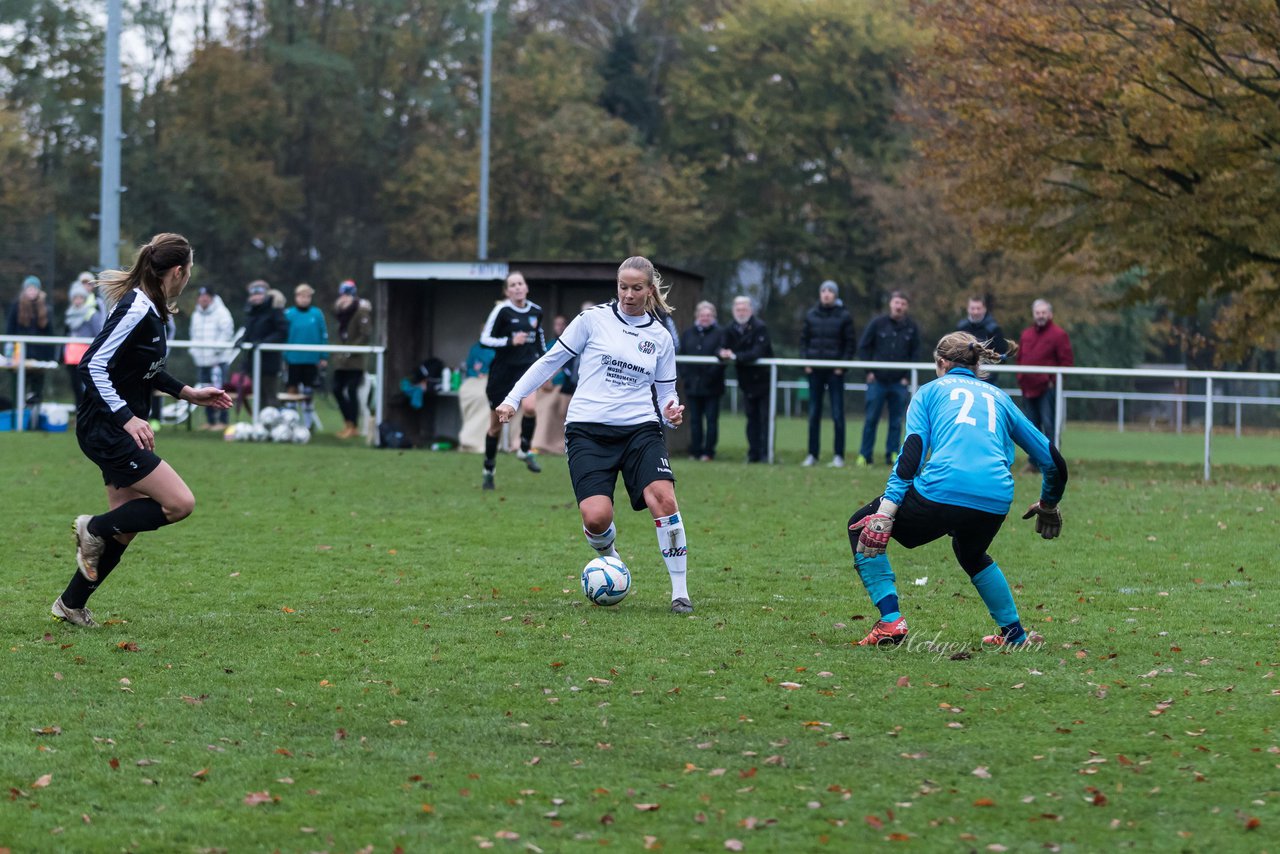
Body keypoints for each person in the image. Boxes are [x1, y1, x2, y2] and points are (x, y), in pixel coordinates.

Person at [495, 256, 693, 613]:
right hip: (588, 430)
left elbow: (666, 394)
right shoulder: (592, 320)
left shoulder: (660, 337)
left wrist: (672, 411)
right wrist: (512, 398)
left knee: (663, 497)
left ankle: (680, 592)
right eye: (622, 287)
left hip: (640, 430)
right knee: (596, 517)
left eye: (636, 288)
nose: (628, 294)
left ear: (649, 290)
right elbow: (549, 361)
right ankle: (612, 564)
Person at [54, 233, 232, 628]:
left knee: (126, 524)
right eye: (190, 271)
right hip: (107, 428)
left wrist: (187, 392)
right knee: (179, 503)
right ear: (178, 271)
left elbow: (144, 367)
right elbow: (91, 365)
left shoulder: (151, 307)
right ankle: (91, 527)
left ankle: (71, 604)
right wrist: (126, 417)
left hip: (116, 427)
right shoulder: (136, 307)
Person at [846, 332, 1067, 648]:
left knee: (861, 526)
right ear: (978, 363)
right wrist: (1048, 503)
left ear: (940, 362)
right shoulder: (1000, 397)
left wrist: (886, 510)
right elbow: (1054, 461)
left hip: (942, 490)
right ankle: (1015, 635)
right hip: (995, 498)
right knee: (971, 552)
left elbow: (912, 455)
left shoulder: (930, 392)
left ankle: (891, 622)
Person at [479, 271, 546, 489]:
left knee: (530, 407)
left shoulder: (536, 311)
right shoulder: (502, 311)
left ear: (526, 287)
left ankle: (524, 449)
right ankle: (489, 469)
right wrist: (510, 341)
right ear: (507, 291)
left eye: (520, 283)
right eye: (512, 285)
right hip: (502, 373)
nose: (517, 287)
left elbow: (539, 340)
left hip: (526, 370)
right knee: (495, 428)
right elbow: (484, 339)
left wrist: (545, 364)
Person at [856, 291, 920, 466]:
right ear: (891, 304)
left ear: (906, 306)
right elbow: (863, 347)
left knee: (896, 421)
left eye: (902, 303)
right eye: (896, 302)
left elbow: (915, 353)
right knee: (871, 419)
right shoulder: (877, 323)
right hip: (877, 381)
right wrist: (868, 371)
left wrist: (907, 376)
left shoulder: (912, 327)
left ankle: (892, 454)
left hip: (898, 383)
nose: (899, 306)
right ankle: (864, 455)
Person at [800, 280, 856, 467]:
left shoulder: (844, 316)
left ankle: (838, 456)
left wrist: (842, 366)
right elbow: (803, 341)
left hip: (835, 373)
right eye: (823, 290)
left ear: (835, 294)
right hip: (814, 371)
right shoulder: (811, 315)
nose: (826, 294)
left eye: (830, 291)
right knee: (814, 413)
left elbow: (850, 344)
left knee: (837, 414)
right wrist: (805, 362)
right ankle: (812, 455)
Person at [718, 296, 773, 463]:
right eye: (738, 309)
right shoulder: (730, 328)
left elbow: (758, 352)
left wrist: (734, 355)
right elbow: (720, 346)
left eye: (744, 309)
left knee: (765, 418)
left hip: (764, 380)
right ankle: (753, 453)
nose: (741, 312)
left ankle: (765, 454)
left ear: (750, 310)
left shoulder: (760, 328)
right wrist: (721, 353)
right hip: (746, 382)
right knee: (751, 418)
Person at [1017, 299, 1074, 441]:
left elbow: (1066, 362)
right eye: (1037, 312)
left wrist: (1053, 381)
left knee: (1049, 426)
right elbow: (1019, 358)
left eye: (1043, 312)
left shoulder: (1059, 335)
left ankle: (1052, 461)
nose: (1040, 315)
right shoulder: (1026, 334)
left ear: (1050, 314)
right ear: (1033, 314)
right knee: (1031, 427)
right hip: (1028, 387)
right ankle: (1034, 461)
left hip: (1047, 389)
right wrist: (1021, 377)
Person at [678, 300, 725, 461]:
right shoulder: (688, 333)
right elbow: (682, 357)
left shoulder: (720, 333)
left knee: (711, 420)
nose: (705, 318)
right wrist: (686, 377)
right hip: (692, 386)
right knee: (695, 420)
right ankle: (695, 451)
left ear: (713, 316)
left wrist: (710, 377)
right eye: (702, 315)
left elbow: (721, 360)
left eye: (708, 315)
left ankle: (709, 452)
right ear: (697, 316)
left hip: (712, 386)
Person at [189, 285, 236, 431]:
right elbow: (193, 335)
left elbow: (227, 333)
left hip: (218, 361)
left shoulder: (222, 312)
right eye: (201, 296)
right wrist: (195, 352)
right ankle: (210, 421)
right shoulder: (196, 314)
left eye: (206, 296)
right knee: (204, 390)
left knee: (220, 391)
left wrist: (215, 350)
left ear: (211, 297)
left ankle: (222, 421)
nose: (203, 298)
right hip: (202, 361)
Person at [6, 275, 56, 410]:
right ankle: (18, 415)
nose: (32, 291)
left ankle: (34, 416)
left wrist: (50, 357)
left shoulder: (46, 308)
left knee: (37, 389)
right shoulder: (16, 306)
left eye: (34, 289)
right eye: (29, 288)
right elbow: (10, 329)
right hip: (20, 355)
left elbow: (50, 333)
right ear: (24, 290)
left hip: (40, 357)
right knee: (19, 387)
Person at [331, 280, 373, 439]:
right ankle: (348, 423)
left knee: (351, 390)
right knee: (336, 389)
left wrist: (351, 350)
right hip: (341, 361)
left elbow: (365, 334)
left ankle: (354, 425)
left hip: (355, 362)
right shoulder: (340, 312)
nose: (345, 297)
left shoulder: (361, 311)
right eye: (343, 294)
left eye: (348, 294)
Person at [242, 279, 288, 408]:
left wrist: (263, 343)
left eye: (260, 293)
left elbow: (282, 332)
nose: (256, 296)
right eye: (253, 294)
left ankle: (274, 424)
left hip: (269, 362)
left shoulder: (275, 310)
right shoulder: (251, 311)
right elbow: (249, 331)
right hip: (253, 361)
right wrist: (242, 340)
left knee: (270, 396)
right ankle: (261, 424)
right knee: (259, 395)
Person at [64, 274, 105, 411]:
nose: (78, 300)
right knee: (75, 386)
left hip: (86, 355)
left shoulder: (93, 312)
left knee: (87, 386)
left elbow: (98, 332)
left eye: (80, 297)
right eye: (75, 297)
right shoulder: (69, 313)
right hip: (71, 355)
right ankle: (79, 412)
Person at [531, 314, 571, 455]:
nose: (560, 327)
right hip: (544, 387)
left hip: (563, 389)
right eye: (557, 324)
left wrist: (553, 381)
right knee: (530, 407)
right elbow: (542, 365)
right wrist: (543, 381)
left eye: (562, 324)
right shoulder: (550, 345)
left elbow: (570, 370)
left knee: (547, 407)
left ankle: (543, 444)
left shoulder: (573, 343)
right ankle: (527, 443)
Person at [284, 283, 328, 392]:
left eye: (308, 297)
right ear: (296, 297)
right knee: (292, 385)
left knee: (309, 387)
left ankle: (307, 408)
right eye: (302, 296)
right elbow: (283, 335)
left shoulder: (317, 314)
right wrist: (284, 355)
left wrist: (324, 356)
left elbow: (323, 334)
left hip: (311, 358)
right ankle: (291, 408)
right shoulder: (289, 313)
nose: (305, 299)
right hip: (293, 358)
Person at [457, 331, 495, 453]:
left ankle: (478, 440)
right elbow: (469, 367)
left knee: (484, 396)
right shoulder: (476, 348)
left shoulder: (500, 346)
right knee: (465, 391)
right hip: (475, 381)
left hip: (492, 380)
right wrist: (476, 373)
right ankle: (468, 439)